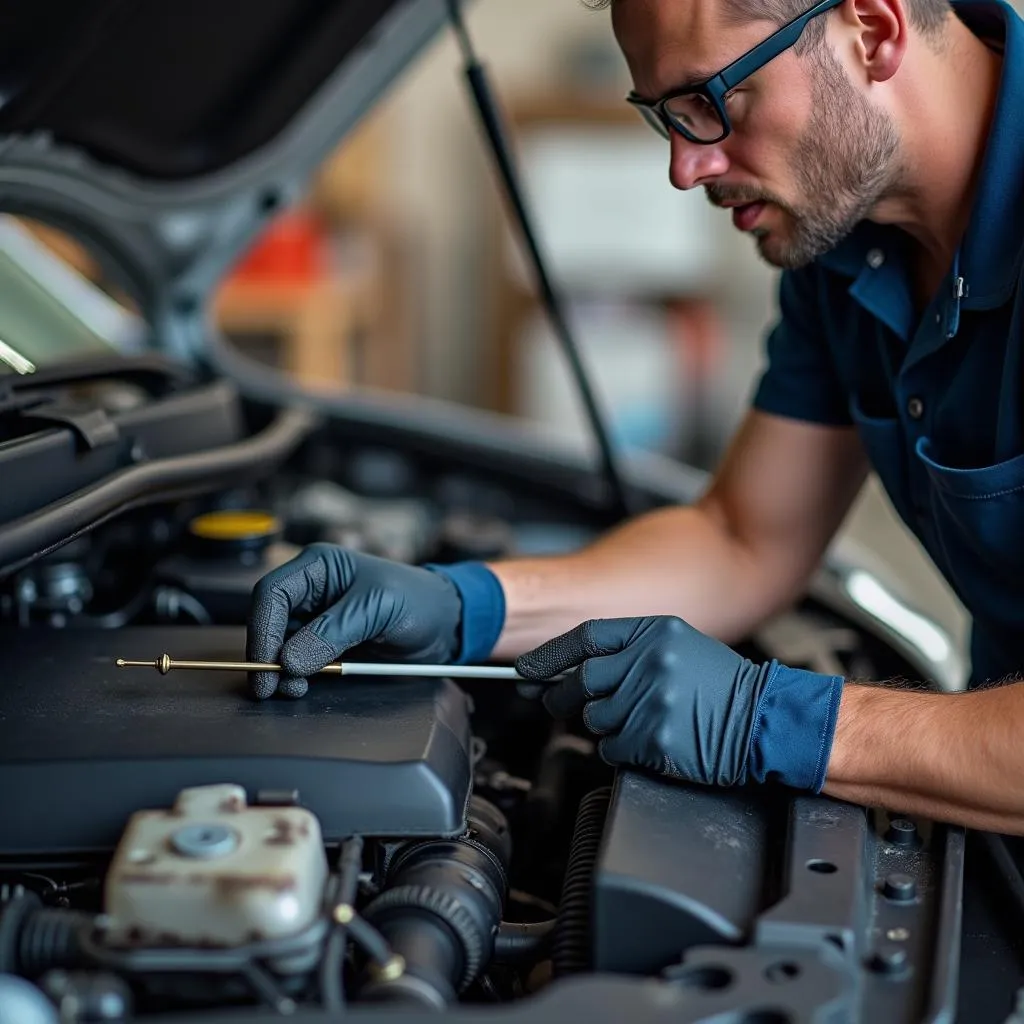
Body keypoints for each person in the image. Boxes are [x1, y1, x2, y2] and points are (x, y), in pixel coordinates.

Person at [246, 0, 1024, 835]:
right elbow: (742, 537)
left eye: (709, 102)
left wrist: (773, 721)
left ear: (872, 32)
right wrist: (461, 606)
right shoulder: (846, 244)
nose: (686, 169)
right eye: (667, 120)